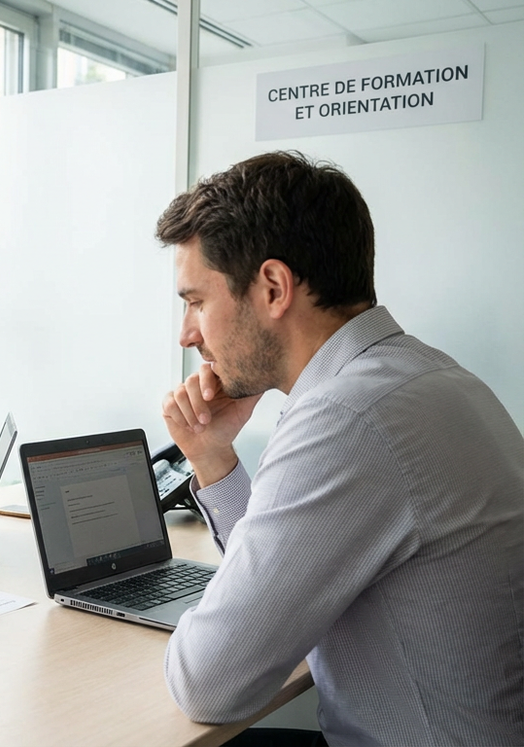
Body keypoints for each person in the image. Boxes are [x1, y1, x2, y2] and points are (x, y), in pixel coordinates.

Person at [155, 151, 524, 746]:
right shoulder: (429, 375)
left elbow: (209, 682)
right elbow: (282, 583)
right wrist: (211, 456)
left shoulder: (346, 419)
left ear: (273, 288)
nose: (187, 334)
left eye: (196, 301)